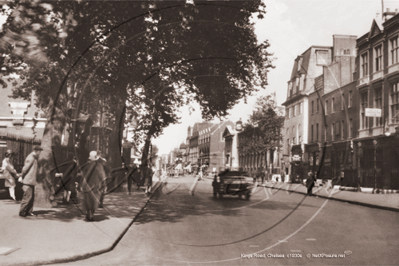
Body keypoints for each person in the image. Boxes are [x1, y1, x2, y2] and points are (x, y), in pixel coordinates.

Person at [80, 151, 107, 221]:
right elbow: (102, 176)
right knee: (94, 201)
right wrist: (104, 185)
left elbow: (82, 176)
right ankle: (91, 214)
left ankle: (88, 212)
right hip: (96, 187)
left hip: (87, 186)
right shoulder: (99, 166)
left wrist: (80, 185)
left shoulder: (86, 166)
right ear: (96, 157)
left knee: (87, 200)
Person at [19, 145, 42, 217]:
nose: (40, 153)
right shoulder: (31, 157)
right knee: (27, 197)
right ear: (36, 151)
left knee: (31, 198)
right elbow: (25, 168)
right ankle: (22, 211)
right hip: (28, 181)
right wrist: (21, 176)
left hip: (31, 181)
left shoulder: (35, 158)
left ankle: (28, 211)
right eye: (39, 151)